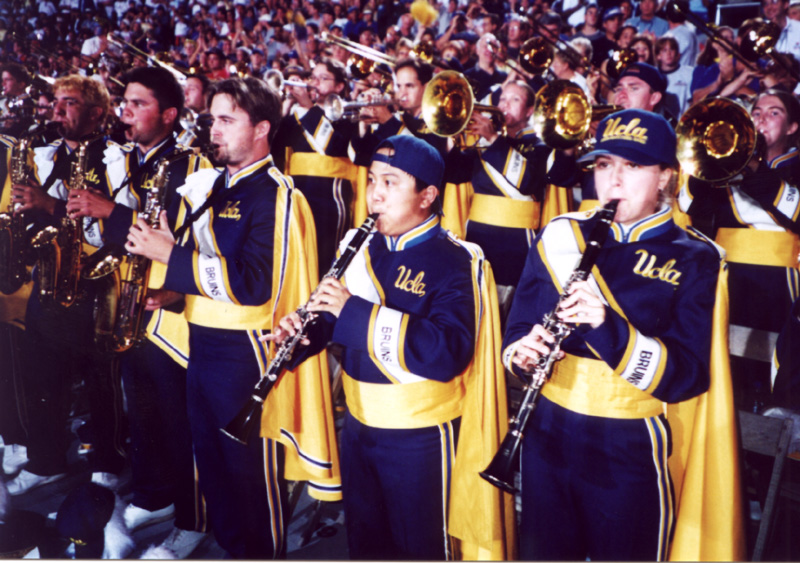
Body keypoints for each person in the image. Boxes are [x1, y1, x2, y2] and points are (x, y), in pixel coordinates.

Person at [503, 109, 740, 560]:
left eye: (633, 167)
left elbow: (688, 376)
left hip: (630, 445)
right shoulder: (561, 234)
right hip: (547, 429)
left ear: (666, 177)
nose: (614, 181)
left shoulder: (697, 258)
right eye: (605, 165)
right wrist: (521, 354)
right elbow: (516, 329)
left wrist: (607, 324)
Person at [124, 77, 340, 559]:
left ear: (262, 129)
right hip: (202, 344)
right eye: (211, 119)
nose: (213, 131)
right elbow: (213, 267)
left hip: (247, 355)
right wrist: (174, 292)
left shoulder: (277, 195)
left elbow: (254, 284)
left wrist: (172, 257)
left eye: (226, 121)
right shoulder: (216, 186)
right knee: (215, 471)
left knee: (249, 481)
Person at [267, 134, 510, 560]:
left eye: (391, 182)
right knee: (367, 542)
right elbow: (329, 320)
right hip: (359, 428)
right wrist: (301, 336)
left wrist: (354, 312)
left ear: (427, 196)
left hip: (419, 437)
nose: (374, 193)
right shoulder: (359, 245)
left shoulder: (457, 260)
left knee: (421, 546)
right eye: (373, 179)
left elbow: (447, 352)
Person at [96, 67, 211, 558]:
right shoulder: (126, 160)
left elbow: (200, 246)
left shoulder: (195, 166)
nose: (126, 109)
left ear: (168, 114)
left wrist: (109, 211)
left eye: (138, 103)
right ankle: (153, 496)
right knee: (141, 412)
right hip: (131, 303)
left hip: (173, 316)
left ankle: (193, 520)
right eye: (125, 100)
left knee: (177, 421)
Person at [6, 75, 127, 495]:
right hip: (47, 282)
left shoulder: (116, 158)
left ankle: (107, 462)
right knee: (43, 377)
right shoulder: (44, 154)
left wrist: (49, 205)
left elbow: (110, 231)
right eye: (55, 102)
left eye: (69, 103)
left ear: (97, 112)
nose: (56, 111)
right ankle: (46, 460)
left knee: (99, 381)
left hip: (94, 285)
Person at [678, 89, 800, 411]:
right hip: (727, 276)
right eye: (757, 111)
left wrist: (755, 171)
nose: (762, 118)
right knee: (724, 367)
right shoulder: (726, 167)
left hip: (778, 280)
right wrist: (714, 164)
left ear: (792, 127)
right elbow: (687, 204)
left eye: (774, 112)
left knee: (770, 369)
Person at [272, 58, 357, 272]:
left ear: (339, 86)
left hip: (331, 197)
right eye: (313, 77)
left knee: (325, 259)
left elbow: (334, 146)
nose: (315, 83)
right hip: (299, 193)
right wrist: (284, 110)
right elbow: (274, 149)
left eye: (323, 78)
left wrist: (307, 107)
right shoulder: (296, 115)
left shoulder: (347, 114)